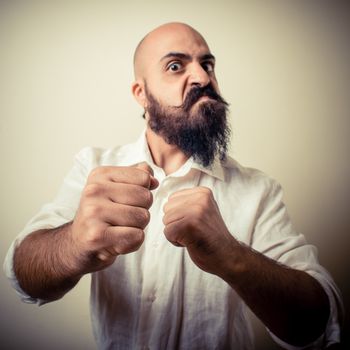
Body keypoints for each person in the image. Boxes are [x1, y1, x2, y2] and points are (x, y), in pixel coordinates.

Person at [4, 22, 343, 349]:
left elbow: (316, 324)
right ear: (141, 93)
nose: (202, 77)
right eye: (176, 66)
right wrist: (75, 242)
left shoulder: (259, 190)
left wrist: (231, 256)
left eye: (207, 64)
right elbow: (23, 278)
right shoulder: (93, 168)